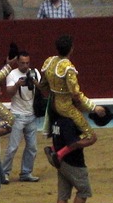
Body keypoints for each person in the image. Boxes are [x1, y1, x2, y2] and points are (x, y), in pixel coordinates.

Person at [40, 35, 106, 168]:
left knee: (67, 131)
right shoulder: (68, 67)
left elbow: (43, 85)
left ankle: (54, 148)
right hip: (66, 107)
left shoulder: (49, 61)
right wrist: (94, 107)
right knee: (91, 137)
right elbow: (76, 94)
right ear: (71, 49)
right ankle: (58, 154)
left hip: (53, 105)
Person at [47, 112, 94, 203]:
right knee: (84, 190)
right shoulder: (69, 121)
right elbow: (73, 143)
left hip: (60, 162)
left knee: (63, 193)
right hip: (74, 162)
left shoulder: (56, 119)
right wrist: (90, 141)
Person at [1, 51, 41, 184]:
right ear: (17, 62)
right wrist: (18, 85)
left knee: (32, 147)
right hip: (17, 115)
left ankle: (26, 172)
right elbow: (9, 93)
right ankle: (4, 173)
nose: (25, 66)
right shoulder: (12, 74)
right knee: (12, 147)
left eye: (27, 63)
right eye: (22, 63)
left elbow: (43, 90)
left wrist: (35, 82)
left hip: (31, 115)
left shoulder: (34, 73)